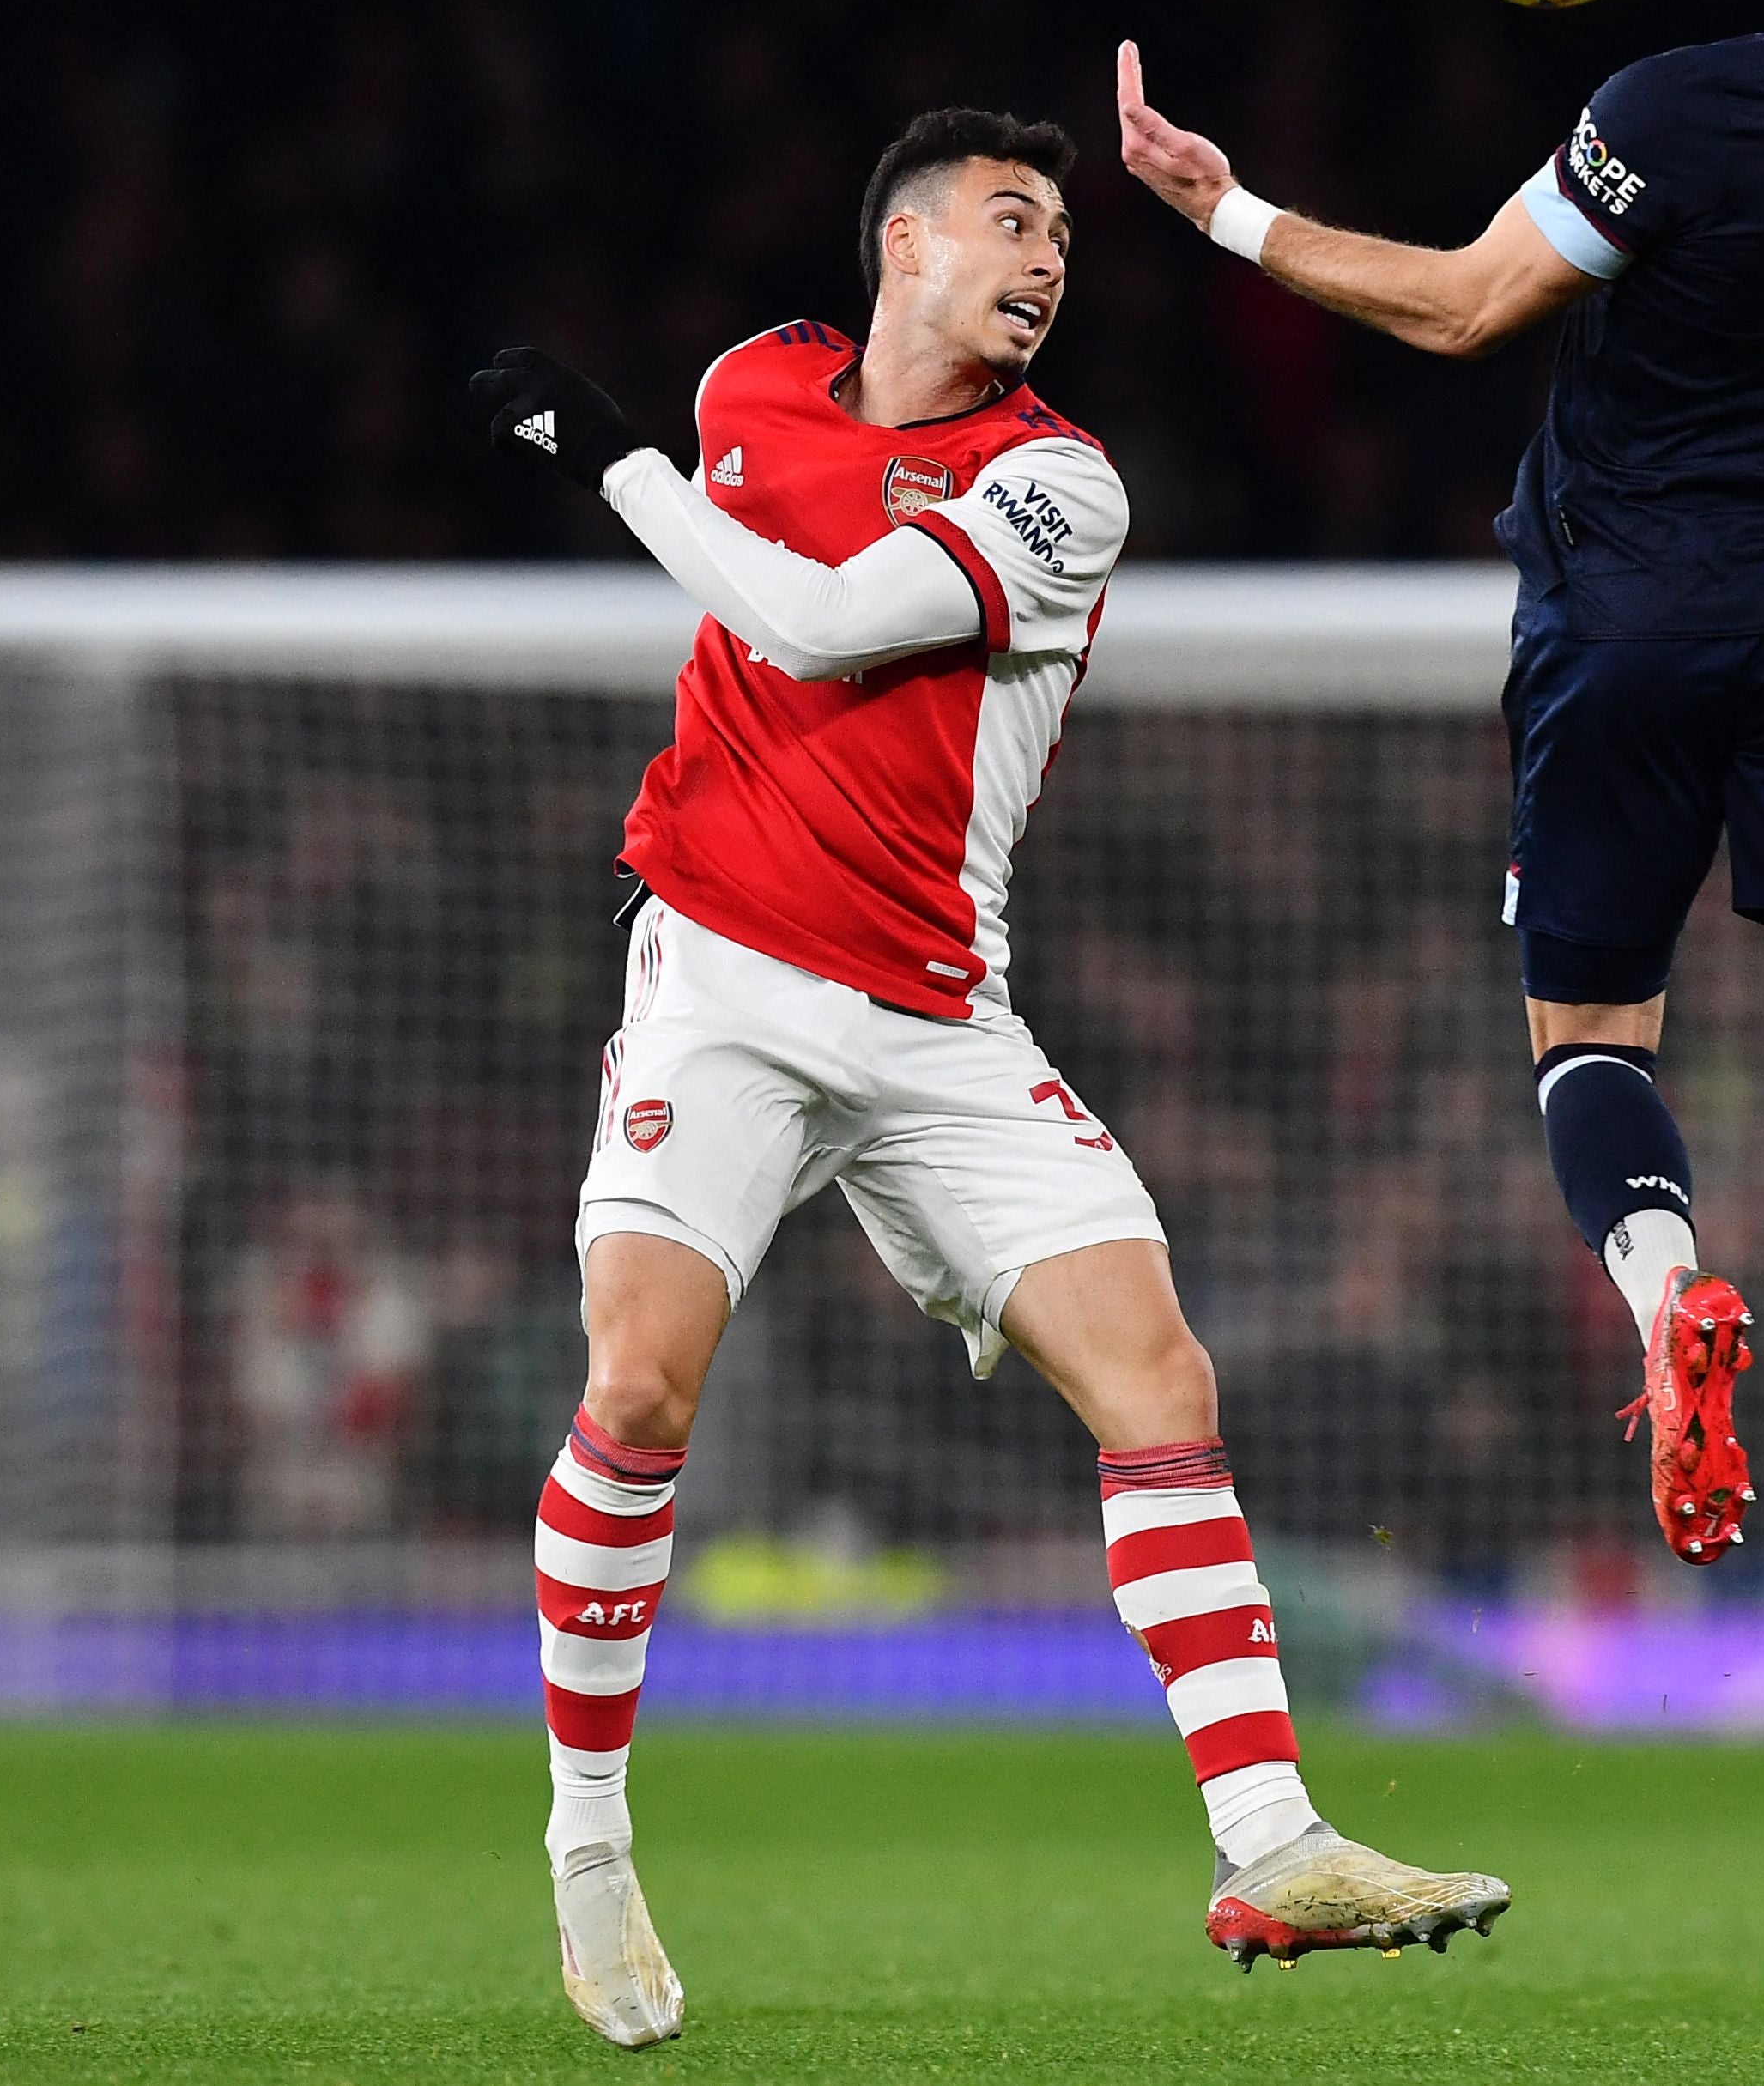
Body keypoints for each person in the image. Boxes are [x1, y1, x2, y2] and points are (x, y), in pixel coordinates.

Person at [469, 109, 1508, 2050]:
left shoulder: (1057, 485)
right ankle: (589, 1838)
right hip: (723, 975)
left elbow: (816, 618)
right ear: (906, 245)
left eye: (1064, 242)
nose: (1050, 261)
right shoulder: (747, 390)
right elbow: (748, 601)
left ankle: (1269, 1838)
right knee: (637, 1380)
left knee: (1157, 1372)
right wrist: (656, 447)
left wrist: (598, 450)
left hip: (943, 1016)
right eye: (1014, 223)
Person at [1116, 0, 1764, 1707]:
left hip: (1627, 618)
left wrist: (1224, 211)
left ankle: (1663, 1295)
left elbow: (1460, 306)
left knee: (1592, 1035)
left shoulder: (1677, 109)